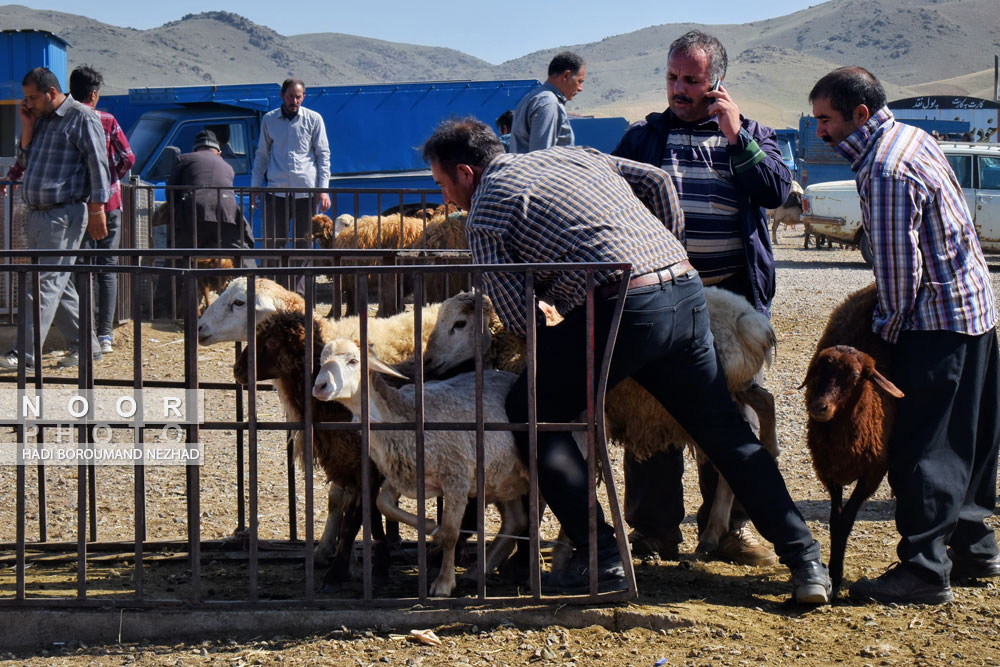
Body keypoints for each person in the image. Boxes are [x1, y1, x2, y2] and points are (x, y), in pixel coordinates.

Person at [422, 117, 831, 603]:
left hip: (620, 307)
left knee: (531, 412)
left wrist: (554, 326)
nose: (446, 196)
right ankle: (806, 560)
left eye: (442, 183)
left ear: (466, 173)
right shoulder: (570, 154)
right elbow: (656, 181)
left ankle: (601, 555)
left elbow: (515, 315)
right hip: (683, 288)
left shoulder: (485, 211)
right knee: (725, 433)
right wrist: (664, 247)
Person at [809, 66, 1000, 605]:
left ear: (860, 115)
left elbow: (898, 275)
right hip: (975, 309)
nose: (820, 130)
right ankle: (974, 546)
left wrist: (880, 342)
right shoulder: (912, 137)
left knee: (925, 445)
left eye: (827, 120)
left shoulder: (887, 170)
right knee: (971, 433)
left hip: (935, 320)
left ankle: (922, 570)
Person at [611, 30, 789, 567]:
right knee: (653, 408)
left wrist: (736, 136)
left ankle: (729, 529)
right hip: (661, 297)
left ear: (717, 83)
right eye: (672, 77)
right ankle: (653, 532)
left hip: (733, 299)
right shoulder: (643, 137)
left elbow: (775, 191)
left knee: (729, 412)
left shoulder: (753, 133)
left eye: (692, 80)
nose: (679, 89)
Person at [0, 67, 110, 372]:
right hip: (38, 214)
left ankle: (24, 354)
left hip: (63, 213)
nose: (29, 103)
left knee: (41, 283)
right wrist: (27, 125)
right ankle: (87, 347)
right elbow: (23, 161)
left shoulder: (82, 117)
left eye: (33, 97)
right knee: (56, 284)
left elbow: (99, 166)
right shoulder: (41, 120)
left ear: (51, 92)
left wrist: (97, 209)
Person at [68, 64, 135, 354]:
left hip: (76, 207)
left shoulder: (64, 120)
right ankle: (106, 334)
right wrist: (111, 179)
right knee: (106, 269)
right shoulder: (107, 119)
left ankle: (86, 335)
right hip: (109, 204)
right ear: (94, 94)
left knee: (79, 270)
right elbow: (128, 156)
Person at [154, 129, 251, 317]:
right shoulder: (228, 167)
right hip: (228, 214)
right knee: (241, 256)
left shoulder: (184, 159)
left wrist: (175, 216)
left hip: (194, 212)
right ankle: (254, 298)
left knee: (176, 257)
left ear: (196, 149)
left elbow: (171, 191)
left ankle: (163, 310)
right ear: (218, 152)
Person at [251, 78, 331, 249]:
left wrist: (323, 190)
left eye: (298, 97)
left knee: (304, 242)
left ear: (303, 97)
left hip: (305, 192)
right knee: (273, 243)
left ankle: (302, 277)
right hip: (277, 192)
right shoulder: (269, 120)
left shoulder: (314, 119)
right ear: (282, 96)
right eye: (290, 96)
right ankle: (274, 276)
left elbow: (323, 155)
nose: (294, 101)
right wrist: (255, 186)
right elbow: (262, 155)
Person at [509, 52, 585, 153]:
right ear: (566, 75)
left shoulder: (534, 97)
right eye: (579, 81)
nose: (580, 88)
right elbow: (541, 157)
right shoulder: (549, 103)